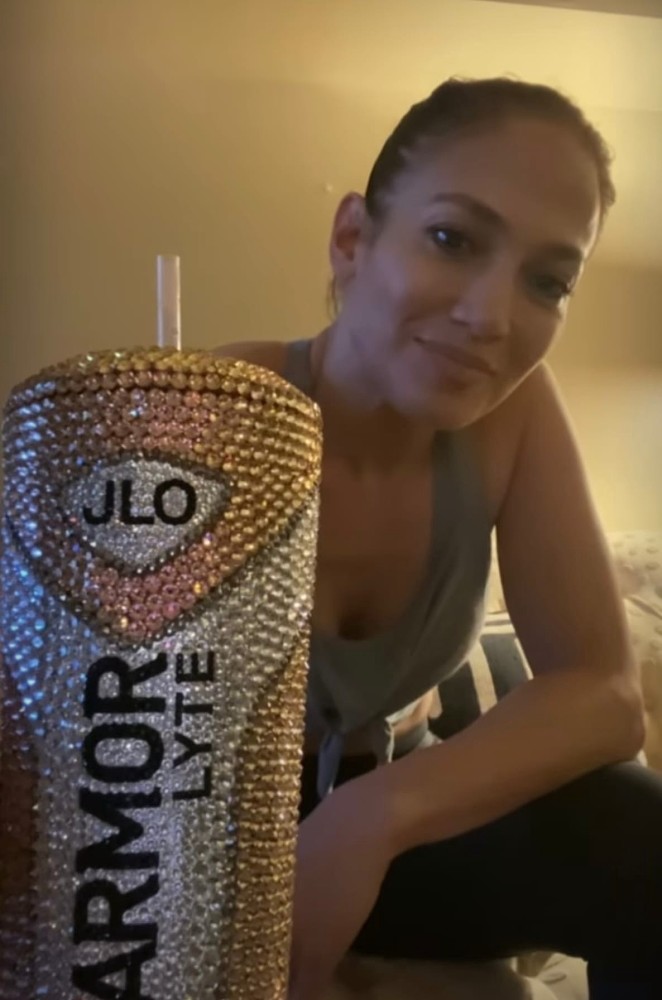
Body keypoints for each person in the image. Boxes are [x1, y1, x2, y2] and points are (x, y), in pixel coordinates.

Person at [216, 77, 662, 1000]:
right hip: (194, 846)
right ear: (353, 239)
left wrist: (373, 818)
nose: (492, 318)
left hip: (393, 837)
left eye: (548, 281)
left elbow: (605, 694)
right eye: (453, 239)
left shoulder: (514, 417)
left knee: (635, 827)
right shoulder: (211, 407)